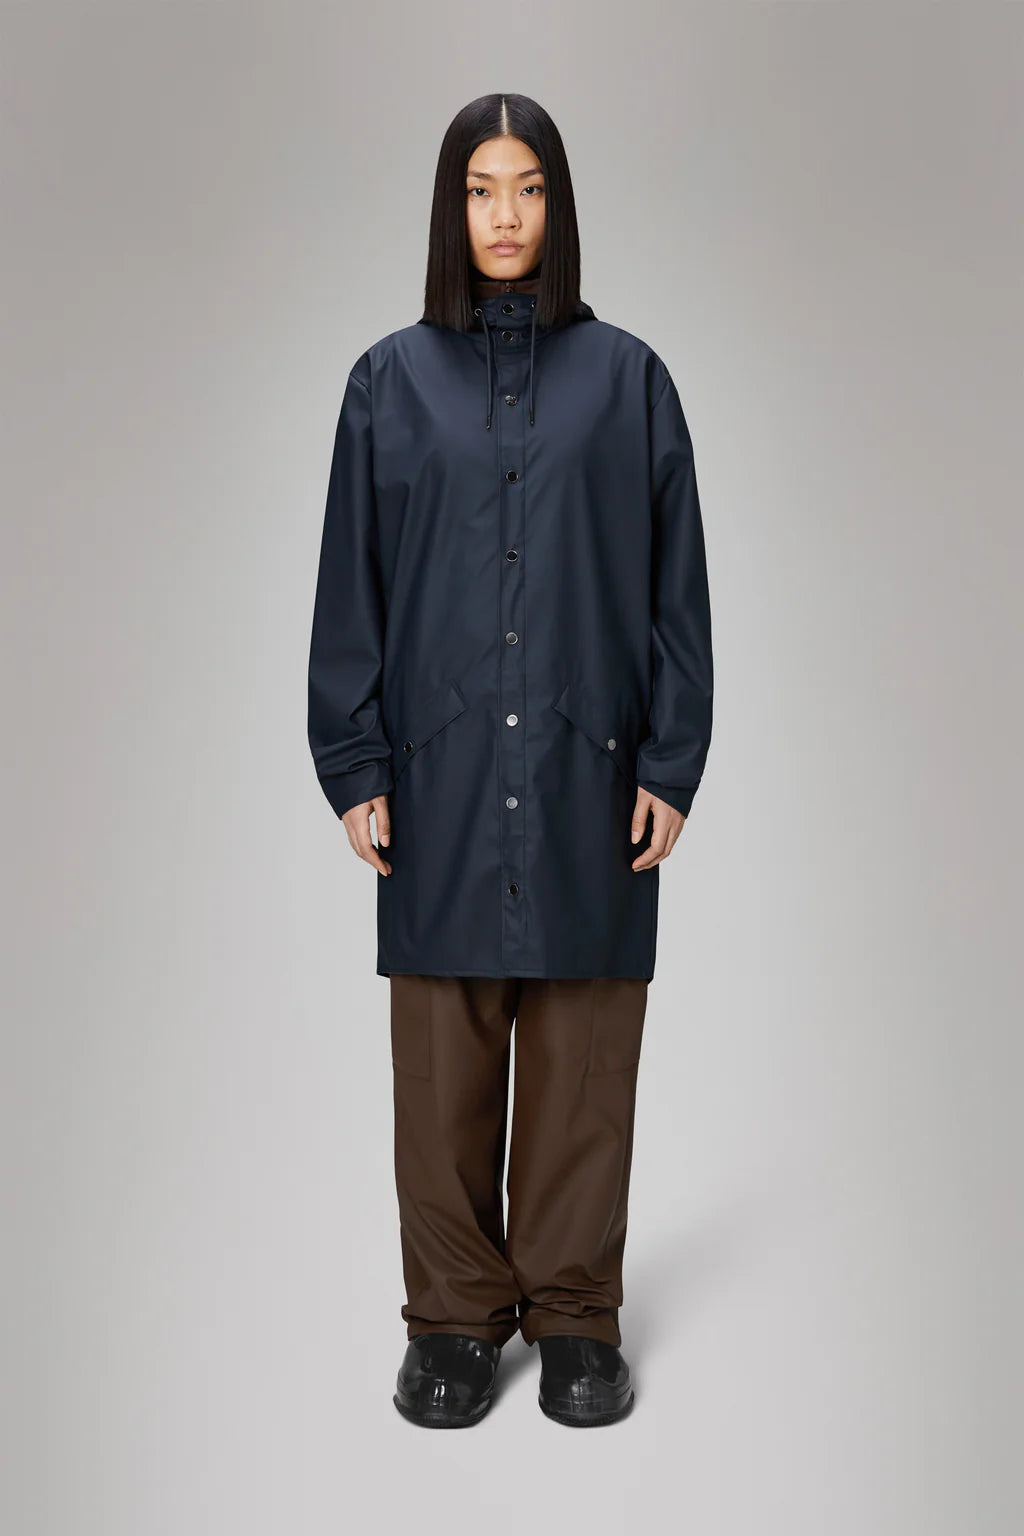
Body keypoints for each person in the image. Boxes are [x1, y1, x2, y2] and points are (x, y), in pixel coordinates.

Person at [307, 93, 714, 1428]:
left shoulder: (631, 382)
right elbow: (352, 586)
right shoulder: (387, 384)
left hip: (594, 762)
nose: (504, 215)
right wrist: (357, 759)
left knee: (586, 1055)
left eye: (528, 188)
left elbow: (676, 587)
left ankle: (577, 1312)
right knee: (443, 1060)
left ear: (560, 204)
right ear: (451, 207)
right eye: (481, 189)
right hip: (439, 771)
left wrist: (671, 756)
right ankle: (453, 1318)